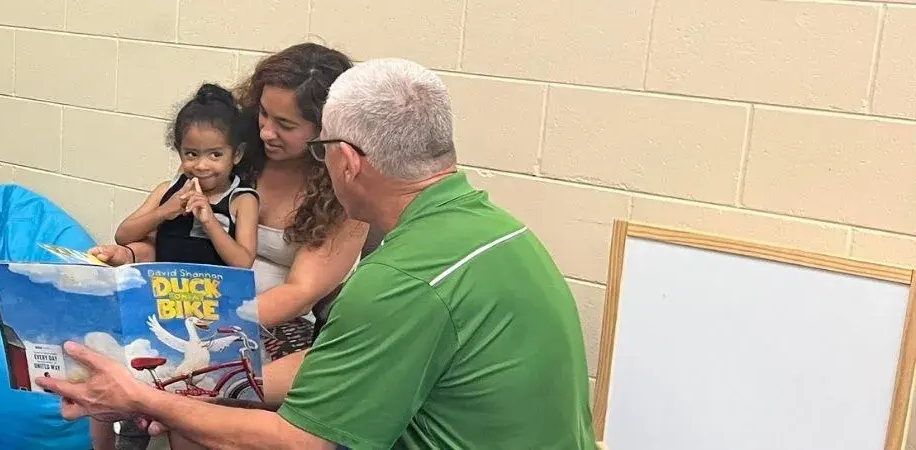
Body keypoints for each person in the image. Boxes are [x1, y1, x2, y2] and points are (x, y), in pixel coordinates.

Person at [42, 58, 597, 449]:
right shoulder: (498, 232)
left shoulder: (398, 280)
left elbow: (296, 442)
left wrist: (146, 399)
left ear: (347, 161)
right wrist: (196, 380)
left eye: (314, 144)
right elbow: (330, 367)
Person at [92, 42, 369, 365]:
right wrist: (128, 256)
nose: (266, 132)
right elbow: (170, 239)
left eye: (285, 125)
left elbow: (299, 293)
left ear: (327, 128)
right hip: (184, 304)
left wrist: (215, 321)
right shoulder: (226, 152)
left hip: (269, 324)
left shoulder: (346, 191)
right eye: (263, 114)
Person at [108, 83, 265, 270]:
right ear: (179, 150)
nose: (201, 165)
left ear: (237, 154)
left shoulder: (242, 200)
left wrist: (209, 222)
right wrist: (165, 210)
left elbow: (243, 262)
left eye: (215, 155)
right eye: (191, 154)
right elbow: (123, 235)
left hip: (214, 296)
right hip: (163, 291)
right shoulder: (168, 190)